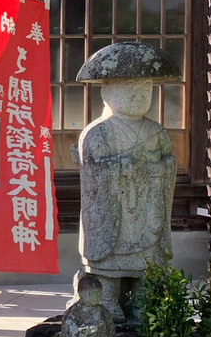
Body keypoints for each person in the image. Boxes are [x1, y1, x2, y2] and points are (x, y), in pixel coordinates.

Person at [73, 42, 181, 321]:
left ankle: (142, 304)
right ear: (107, 91)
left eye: (145, 90)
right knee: (107, 271)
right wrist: (121, 167)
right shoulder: (98, 132)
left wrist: (159, 170)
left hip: (147, 211)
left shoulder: (156, 132)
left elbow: (169, 163)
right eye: (129, 89)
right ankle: (107, 299)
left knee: (147, 269)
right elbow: (93, 171)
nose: (138, 96)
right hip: (114, 216)